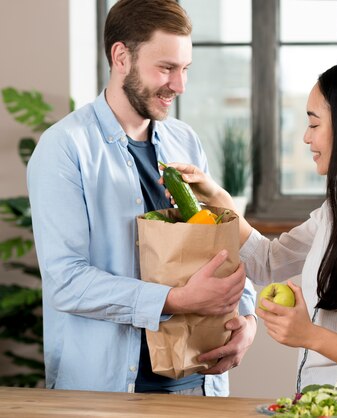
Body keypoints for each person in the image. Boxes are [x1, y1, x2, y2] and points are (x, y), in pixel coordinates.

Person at [26, 0, 256, 396]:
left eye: (184, 69)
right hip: (109, 389)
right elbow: (66, 280)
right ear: (121, 56)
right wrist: (176, 299)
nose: (179, 85)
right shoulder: (65, 147)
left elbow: (220, 244)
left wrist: (247, 321)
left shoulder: (185, 140)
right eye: (166, 68)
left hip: (199, 382)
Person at [166, 60, 337, 390]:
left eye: (314, 124)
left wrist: (311, 336)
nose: (306, 138)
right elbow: (269, 262)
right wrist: (220, 199)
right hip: (318, 404)